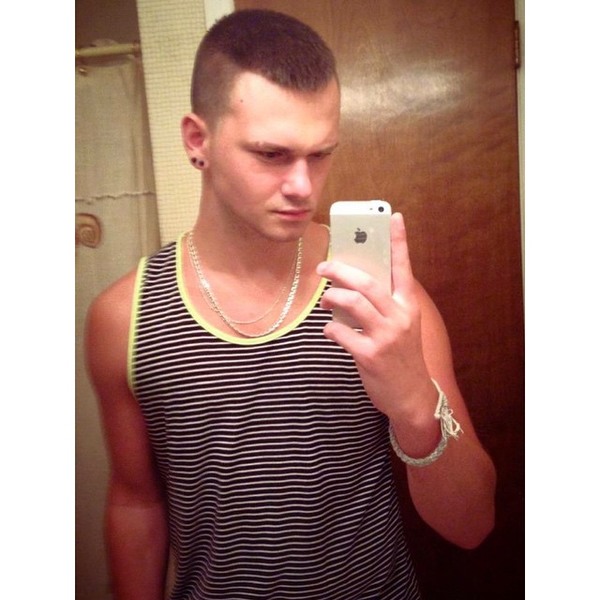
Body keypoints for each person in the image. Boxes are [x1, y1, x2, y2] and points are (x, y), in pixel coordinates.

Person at [85, 9, 496, 600]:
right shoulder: (123, 318)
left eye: (320, 154)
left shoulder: (380, 297)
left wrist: (413, 405)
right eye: (272, 154)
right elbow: (135, 501)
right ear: (199, 141)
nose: (303, 186)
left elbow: (472, 525)